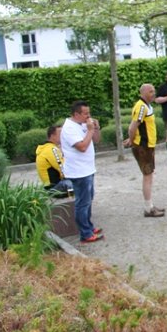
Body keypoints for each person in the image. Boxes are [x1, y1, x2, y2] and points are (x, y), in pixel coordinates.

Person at [60, 100, 102, 243]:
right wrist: (90, 130)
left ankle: (89, 227)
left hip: (88, 168)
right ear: (76, 114)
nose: (88, 116)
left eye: (89, 113)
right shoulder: (69, 128)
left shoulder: (83, 124)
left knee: (88, 199)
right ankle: (85, 233)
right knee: (82, 203)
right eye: (85, 114)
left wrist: (96, 128)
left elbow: (96, 140)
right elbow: (82, 147)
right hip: (78, 171)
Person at [123, 84, 165, 218]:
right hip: (143, 146)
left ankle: (150, 205)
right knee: (147, 176)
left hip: (148, 145)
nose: (154, 93)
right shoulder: (141, 107)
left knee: (149, 175)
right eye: (151, 91)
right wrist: (131, 140)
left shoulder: (146, 106)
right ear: (143, 93)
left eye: (154, 91)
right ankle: (148, 208)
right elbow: (132, 127)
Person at [35, 125, 72, 196]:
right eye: (61, 134)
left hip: (50, 187)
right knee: (79, 182)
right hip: (54, 188)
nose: (64, 136)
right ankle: (72, 196)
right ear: (52, 136)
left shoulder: (47, 148)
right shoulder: (51, 150)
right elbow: (63, 169)